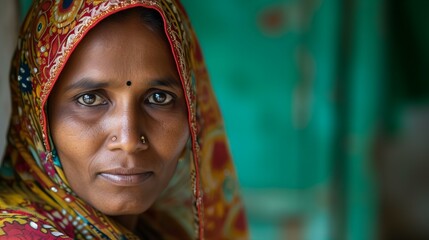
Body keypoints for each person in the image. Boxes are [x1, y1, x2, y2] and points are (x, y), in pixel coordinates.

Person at [0, 0, 248, 239]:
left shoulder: (165, 231)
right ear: (36, 118)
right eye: (90, 99)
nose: (129, 140)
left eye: (159, 98)